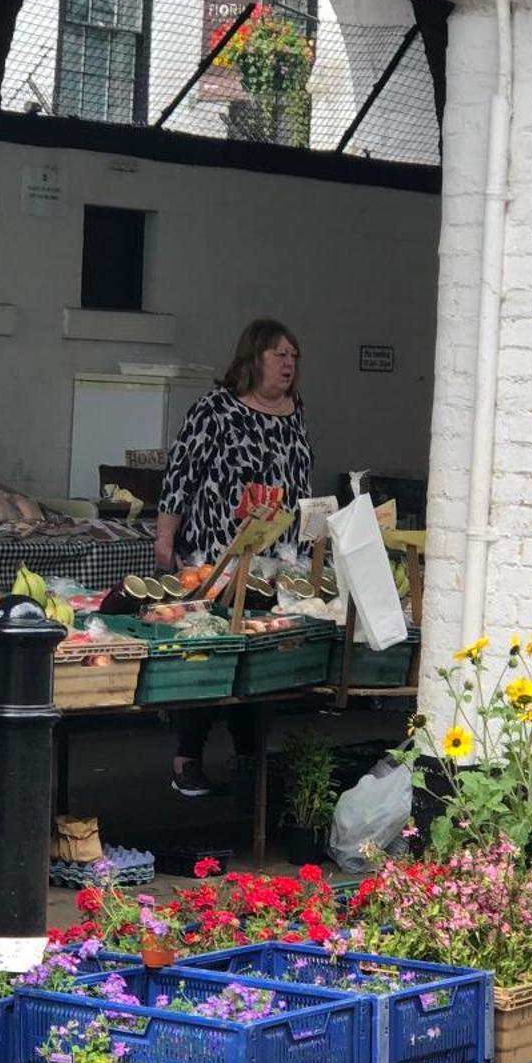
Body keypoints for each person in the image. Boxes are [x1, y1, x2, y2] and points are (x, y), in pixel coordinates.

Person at [156, 318, 312, 797]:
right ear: (253, 358)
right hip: (213, 554)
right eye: (279, 354)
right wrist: (166, 538)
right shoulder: (216, 409)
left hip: (272, 559)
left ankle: (249, 753)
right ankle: (188, 757)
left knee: (259, 652)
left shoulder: (294, 411)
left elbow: (302, 482)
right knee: (207, 649)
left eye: (293, 356)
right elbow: (181, 472)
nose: (288, 364)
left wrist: (306, 552)